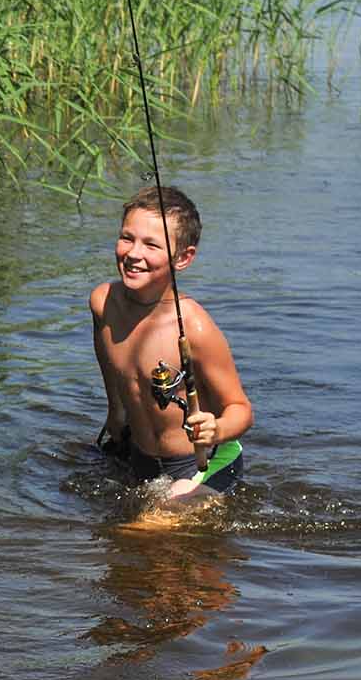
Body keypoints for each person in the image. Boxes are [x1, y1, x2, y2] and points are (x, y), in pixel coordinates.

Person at [89, 185, 251, 500]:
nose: (133, 254)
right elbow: (108, 358)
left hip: (202, 461)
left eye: (151, 244)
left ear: (183, 257)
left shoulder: (195, 327)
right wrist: (115, 410)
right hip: (141, 457)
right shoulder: (103, 303)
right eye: (127, 238)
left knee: (149, 524)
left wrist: (216, 429)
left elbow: (241, 409)